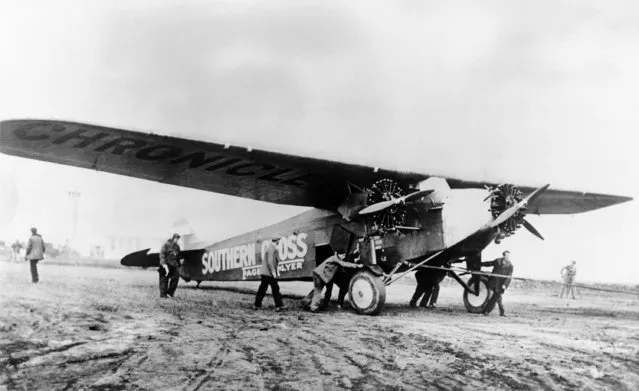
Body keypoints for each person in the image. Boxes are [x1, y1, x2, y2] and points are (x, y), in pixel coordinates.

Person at [480, 250, 514, 316]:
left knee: (496, 297)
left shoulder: (510, 266)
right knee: (497, 297)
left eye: (509, 256)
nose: (508, 257)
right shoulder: (497, 261)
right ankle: (500, 312)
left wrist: (505, 285)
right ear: (503, 255)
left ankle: (487, 311)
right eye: (506, 255)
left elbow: (509, 277)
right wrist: (481, 264)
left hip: (501, 285)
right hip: (493, 282)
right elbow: (490, 263)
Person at [255, 240, 286, 311]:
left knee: (263, 289)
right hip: (269, 273)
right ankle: (279, 306)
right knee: (275, 289)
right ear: (277, 241)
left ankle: (257, 304)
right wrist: (273, 272)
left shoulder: (270, 247)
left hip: (265, 273)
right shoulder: (272, 247)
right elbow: (270, 262)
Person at [159, 233, 181, 298]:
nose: (177, 240)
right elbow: (162, 254)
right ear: (173, 238)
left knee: (176, 278)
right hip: (166, 264)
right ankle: (163, 295)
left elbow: (178, 256)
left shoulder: (177, 246)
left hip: (174, 264)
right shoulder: (166, 245)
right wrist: (163, 264)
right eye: (176, 238)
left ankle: (170, 293)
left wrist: (179, 264)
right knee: (164, 280)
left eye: (178, 239)